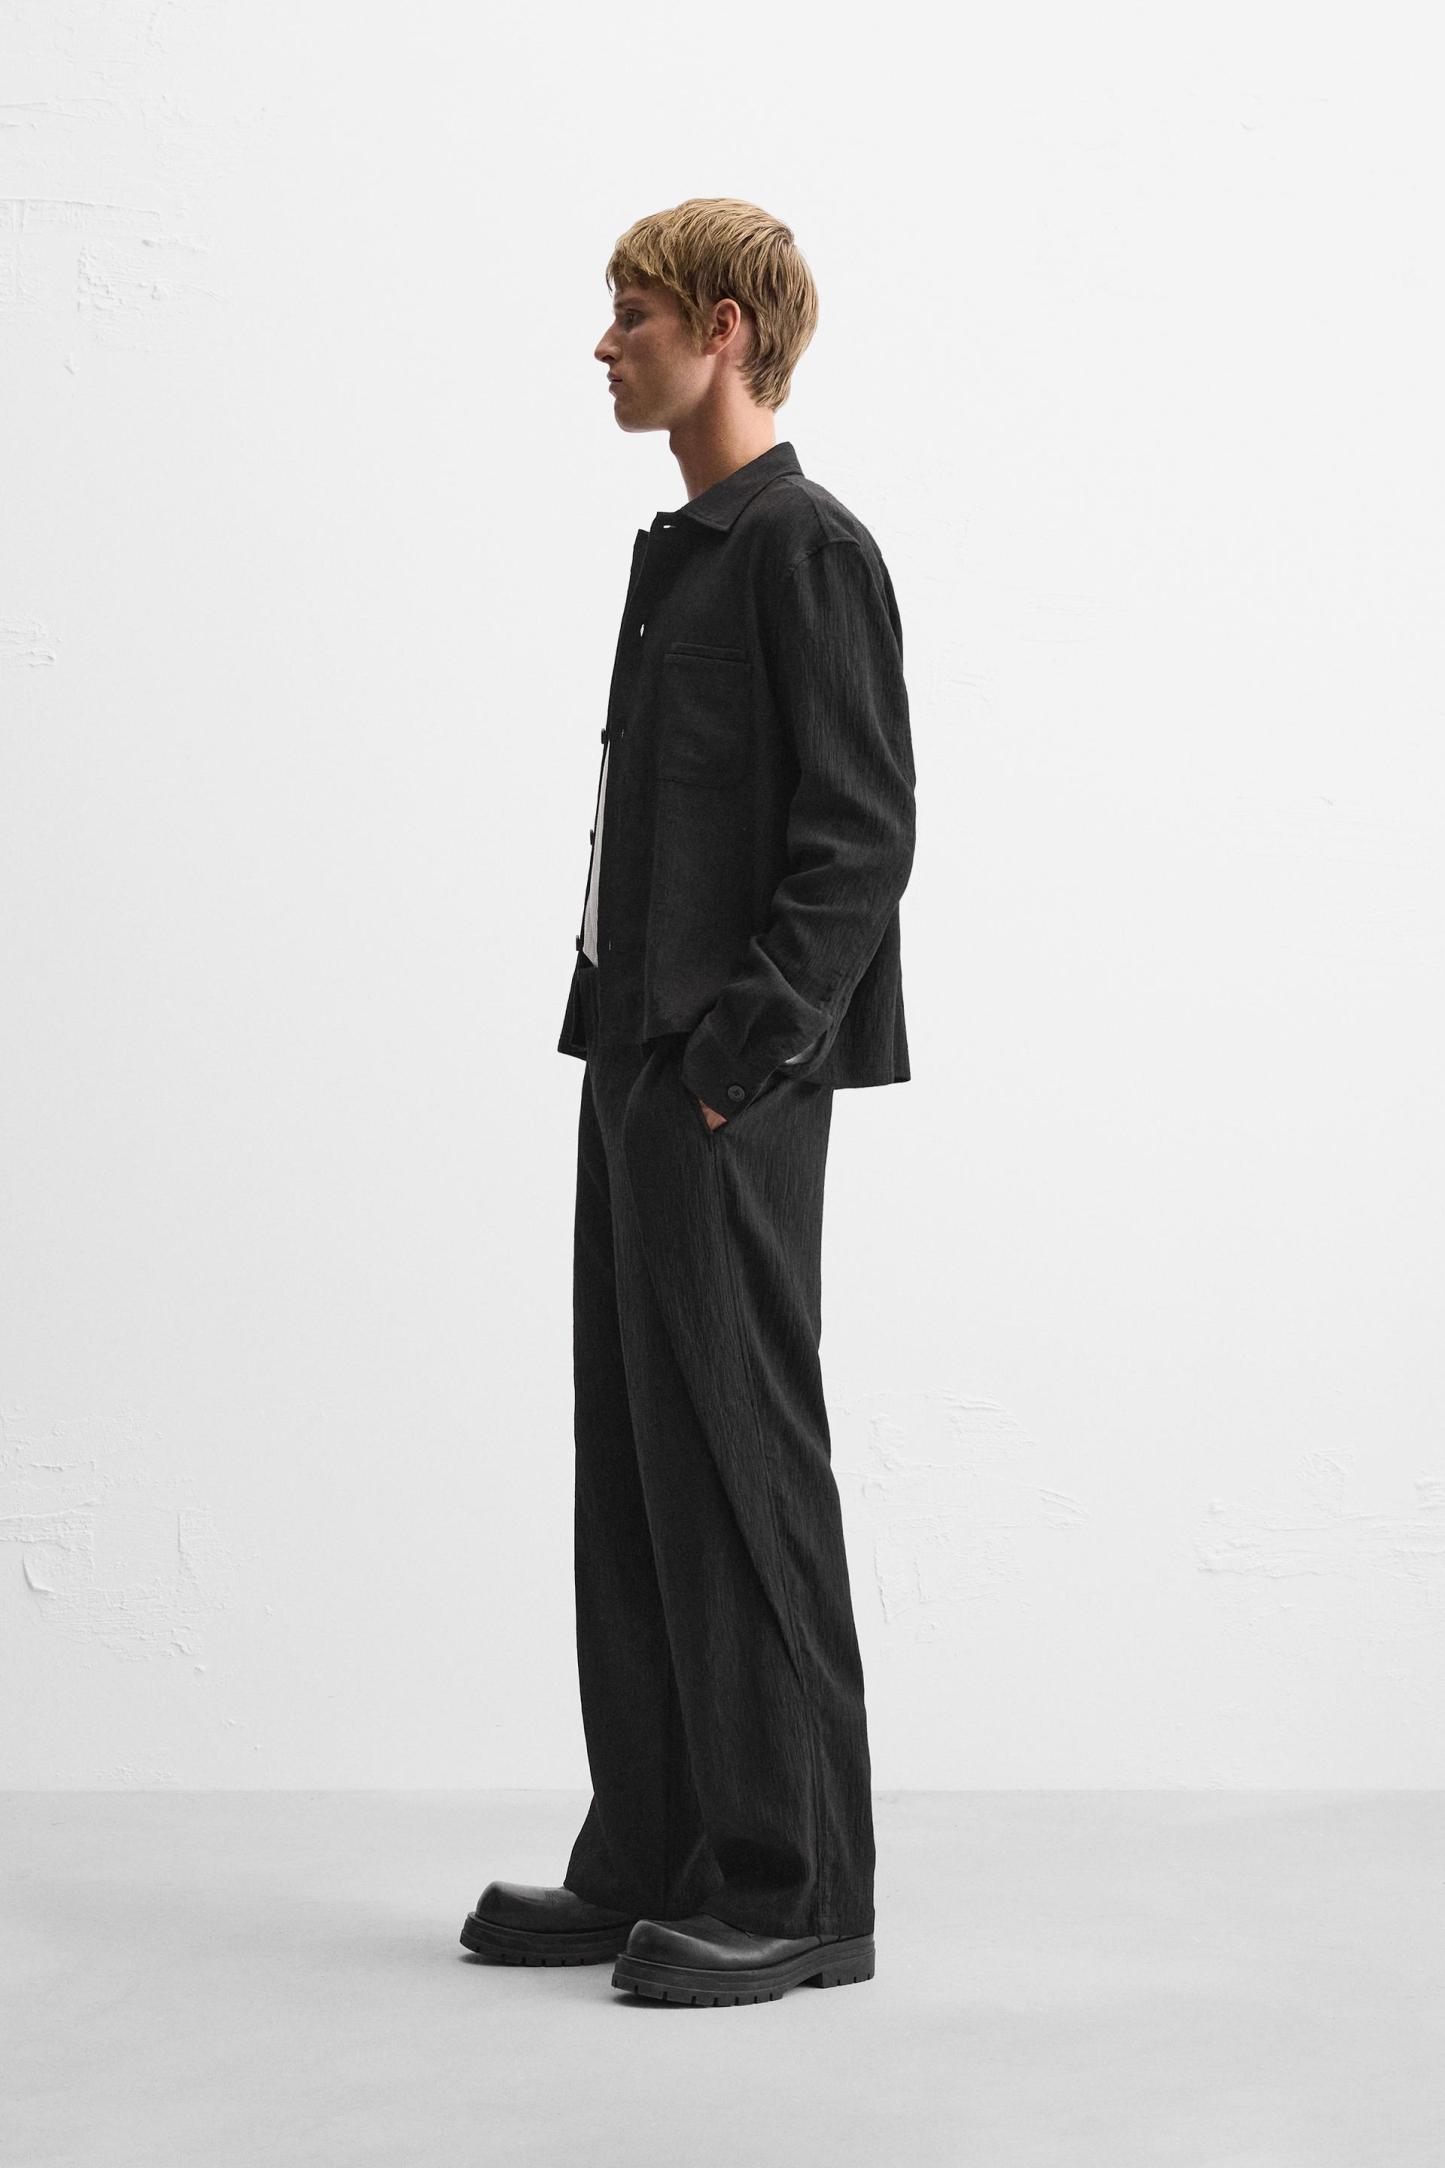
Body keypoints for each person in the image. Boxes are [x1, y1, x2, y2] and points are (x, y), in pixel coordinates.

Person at [460, 197, 917, 2008]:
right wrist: (640, 1060)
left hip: (728, 1083)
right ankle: (655, 1850)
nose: (605, 344)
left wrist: (739, 1062)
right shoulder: (683, 555)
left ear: (725, 329)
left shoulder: (806, 547)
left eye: (634, 314)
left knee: (742, 1462)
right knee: (636, 1465)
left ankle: (800, 1888)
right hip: (638, 1066)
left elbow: (858, 834)